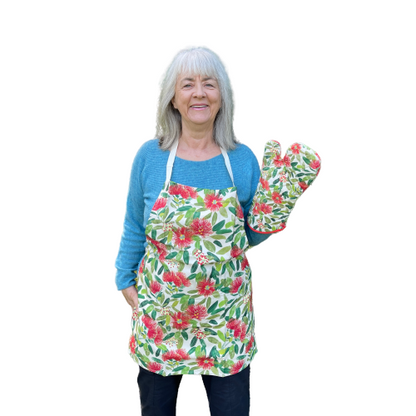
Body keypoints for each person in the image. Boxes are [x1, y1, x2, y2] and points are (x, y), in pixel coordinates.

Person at [115, 46, 270, 416]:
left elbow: (248, 235)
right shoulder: (150, 157)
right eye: (187, 84)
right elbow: (135, 223)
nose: (199, 93)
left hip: (225, 320)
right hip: (163, 314)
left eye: (209, 84)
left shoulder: (242, 159)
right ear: (173, 97)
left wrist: (273, 214)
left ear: (222, 98)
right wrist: (124, 278)